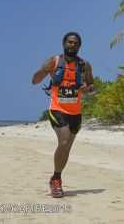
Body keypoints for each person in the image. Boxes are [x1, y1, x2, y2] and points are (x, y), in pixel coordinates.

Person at [31, 32, 94, 198]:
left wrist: (86, 89)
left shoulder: (85, 65)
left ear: (79, 46)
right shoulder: (54, 61)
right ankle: (57, 181)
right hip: (57, 109)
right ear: (63, 44)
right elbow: (35, 80)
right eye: (69, 42)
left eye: (75, 43)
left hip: (76, 112)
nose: (72, 45)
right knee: (64, 140)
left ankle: (55, 177)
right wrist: (44, 71)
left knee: (66, 149)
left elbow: (91, 86)